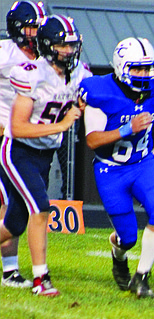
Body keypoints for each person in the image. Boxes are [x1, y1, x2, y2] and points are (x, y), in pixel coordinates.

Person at [0, 14, 90, 296]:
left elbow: (88, 96)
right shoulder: (32, 73)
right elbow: (17, 127)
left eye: (73, 46)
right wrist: (62, 125)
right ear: (48, 45)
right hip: (18, 152)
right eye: (63, 46)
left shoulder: (79, 73)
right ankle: (42, 279)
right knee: (41, 207)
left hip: (45, 154)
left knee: (14, 223)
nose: (69, 51)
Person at [80, 37, 154, 299]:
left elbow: (153, 117)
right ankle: (118, 255)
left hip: (143, 164)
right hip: (111, 170)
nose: (144, 75)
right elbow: (93, 140)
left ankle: (142, 277)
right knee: (127, 238)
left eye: (147, 68)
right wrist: (127, 129)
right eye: (137, 69)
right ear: (121, 67)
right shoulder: (101, 92)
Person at [0, 0, 47, 289]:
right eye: (32, 28)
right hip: (4, 136)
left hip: (28, 140)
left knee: (14, 204)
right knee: (8, 202)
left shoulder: (46, 59)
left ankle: (10, 270)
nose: (37, 34)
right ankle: (10, 270)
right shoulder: (5, 53)